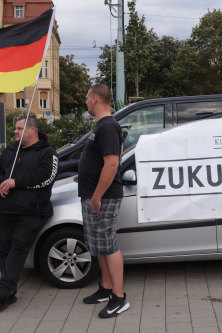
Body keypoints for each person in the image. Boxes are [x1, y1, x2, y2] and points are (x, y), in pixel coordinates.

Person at [0, 117, 58, 312]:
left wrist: (15, 183)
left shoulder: (47, 153)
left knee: (18, 249)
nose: (15, 132)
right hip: (5, 211)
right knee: (4, 249)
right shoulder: (11, 150)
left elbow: (45, 178)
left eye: (19, 129)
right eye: (15, 129)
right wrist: (0, 182)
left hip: (31, 212)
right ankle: (8, 290)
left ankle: (2, 291)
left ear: (31, 131)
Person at [79, 84, 129, 318]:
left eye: (88, 98)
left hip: (104, 197)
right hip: (94, 195)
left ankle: (119, 298)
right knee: (100, 244)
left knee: (109, 245)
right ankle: (106, 289)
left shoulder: (108, 126)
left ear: (96, 100)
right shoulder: (101, 126)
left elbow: (111, 164)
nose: (86, 102)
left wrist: (97, 196)